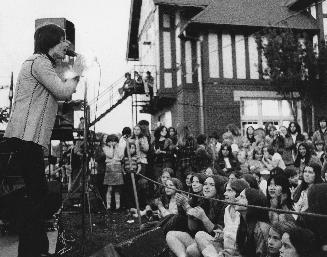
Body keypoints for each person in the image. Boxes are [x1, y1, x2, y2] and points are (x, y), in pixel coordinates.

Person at [2, 24, 81, 257]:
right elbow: (63, 91)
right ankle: (33, 250)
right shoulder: (39, 62)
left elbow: (53, 96)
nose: (65, 46)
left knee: (36, 196)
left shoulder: (41, 63)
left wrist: (70, 97)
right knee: (39, 196)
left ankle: (35, 249)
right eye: (62, 41)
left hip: (29, 138)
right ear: (50, 43)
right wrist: (77, 70)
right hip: (27, 138)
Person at [194, 179, 250, 257]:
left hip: (237, 252)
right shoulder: (227, 208)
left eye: (229, 190)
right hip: (224, 247)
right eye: (225, 190)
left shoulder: (243, 211)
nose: (224, 193)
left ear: (240, 193)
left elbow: (243, 239)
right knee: (199, 235)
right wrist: (222, 235)